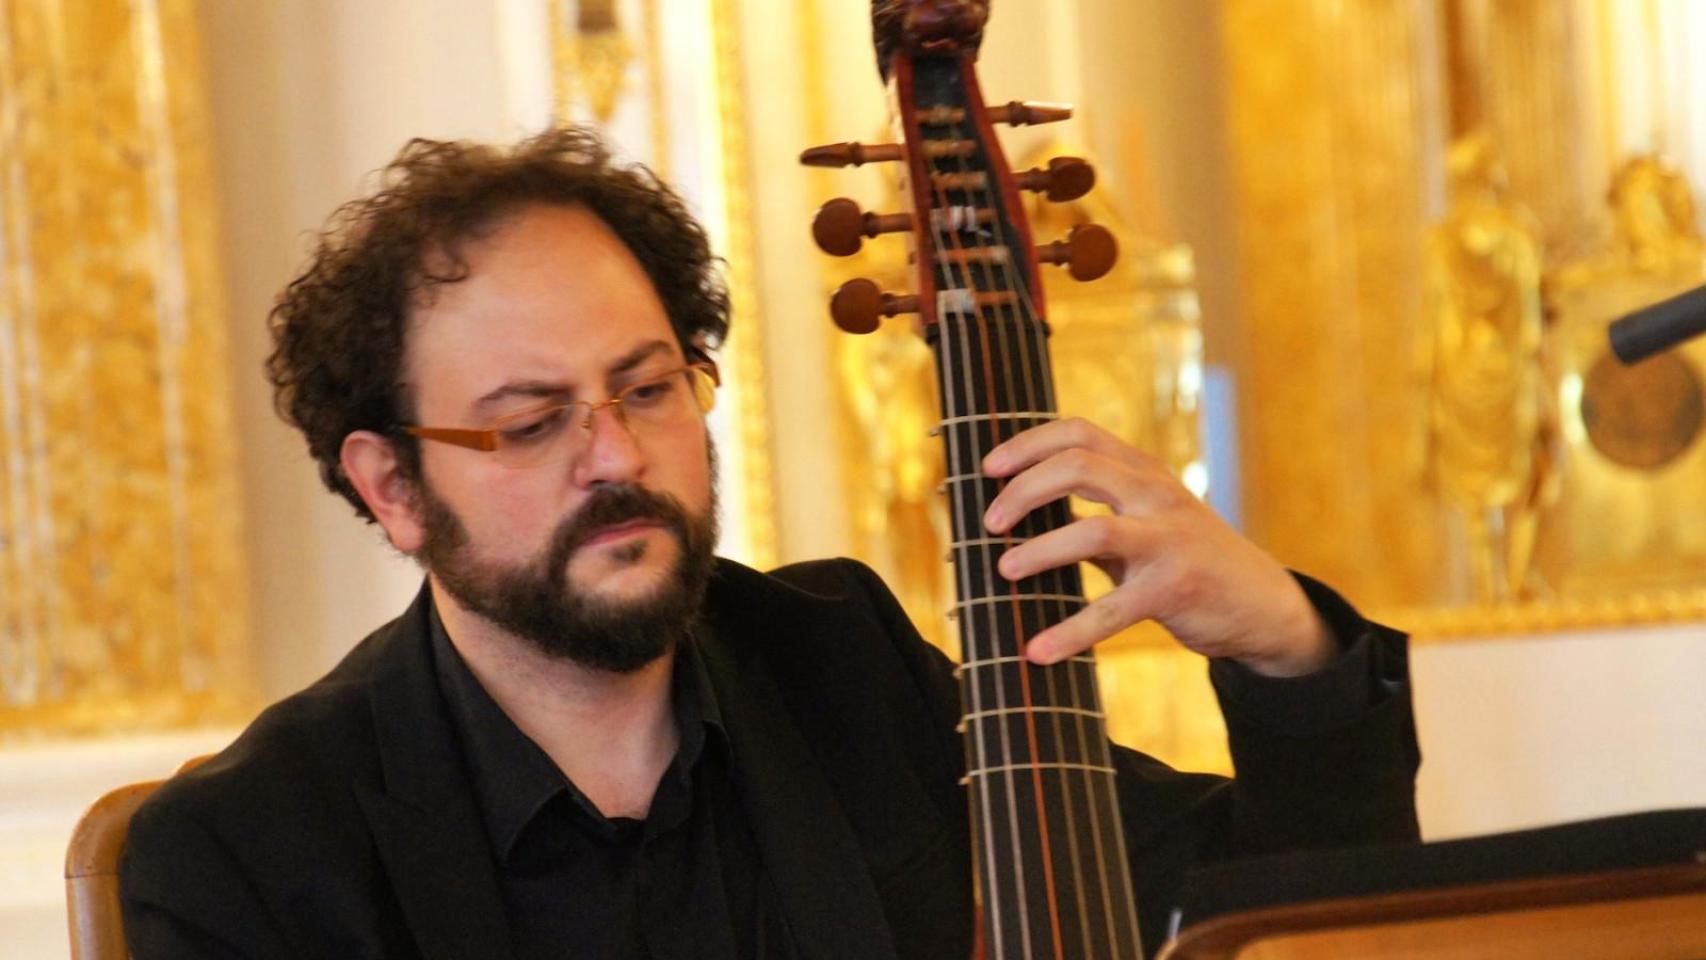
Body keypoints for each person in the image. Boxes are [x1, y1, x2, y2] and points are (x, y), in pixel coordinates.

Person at [120, 127, 1420, 960]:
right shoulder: (252, 857)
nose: (618, 456)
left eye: (648, 387)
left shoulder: (845, 671)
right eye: (529, 423)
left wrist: (1287, 648)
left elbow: (1283, 926)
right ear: (393, 486)